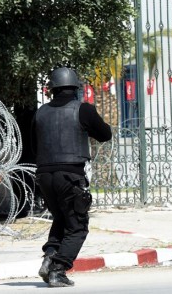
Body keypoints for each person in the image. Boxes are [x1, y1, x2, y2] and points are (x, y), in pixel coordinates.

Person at [32, 66, 112, 286]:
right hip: (71, 175)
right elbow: (105, 134)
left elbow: (33, 145)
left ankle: (49, 257)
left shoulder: (40, 112)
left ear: (52, 89)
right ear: (75, 87)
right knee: (77, 225)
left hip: (45, 175)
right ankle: (59, 268)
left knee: (61, 218)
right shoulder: (83, 110)